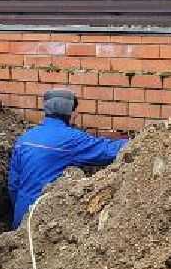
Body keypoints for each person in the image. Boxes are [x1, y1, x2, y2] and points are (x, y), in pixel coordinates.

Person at [8, 88, 128, 227]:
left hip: (21, 217)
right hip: (46, 220)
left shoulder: (25, 138)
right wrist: (143, 140)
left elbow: (13, 184)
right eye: (74, 110)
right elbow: (106, 150)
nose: (76, 115)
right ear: (67, 111)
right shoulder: (71, 139)